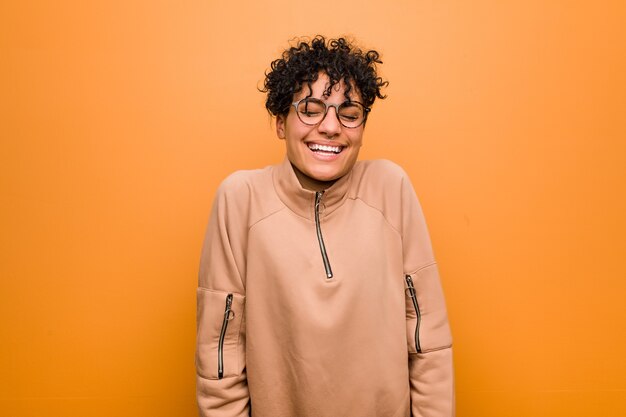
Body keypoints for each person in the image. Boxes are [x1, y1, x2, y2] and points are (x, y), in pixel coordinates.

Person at [196, 35, 454, 417]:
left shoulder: (390, 187)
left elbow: (427, 336)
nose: (331, 127)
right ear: (280, 123)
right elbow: (220, 353)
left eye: (349, 113)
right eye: (311, 109)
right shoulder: (241, 198)